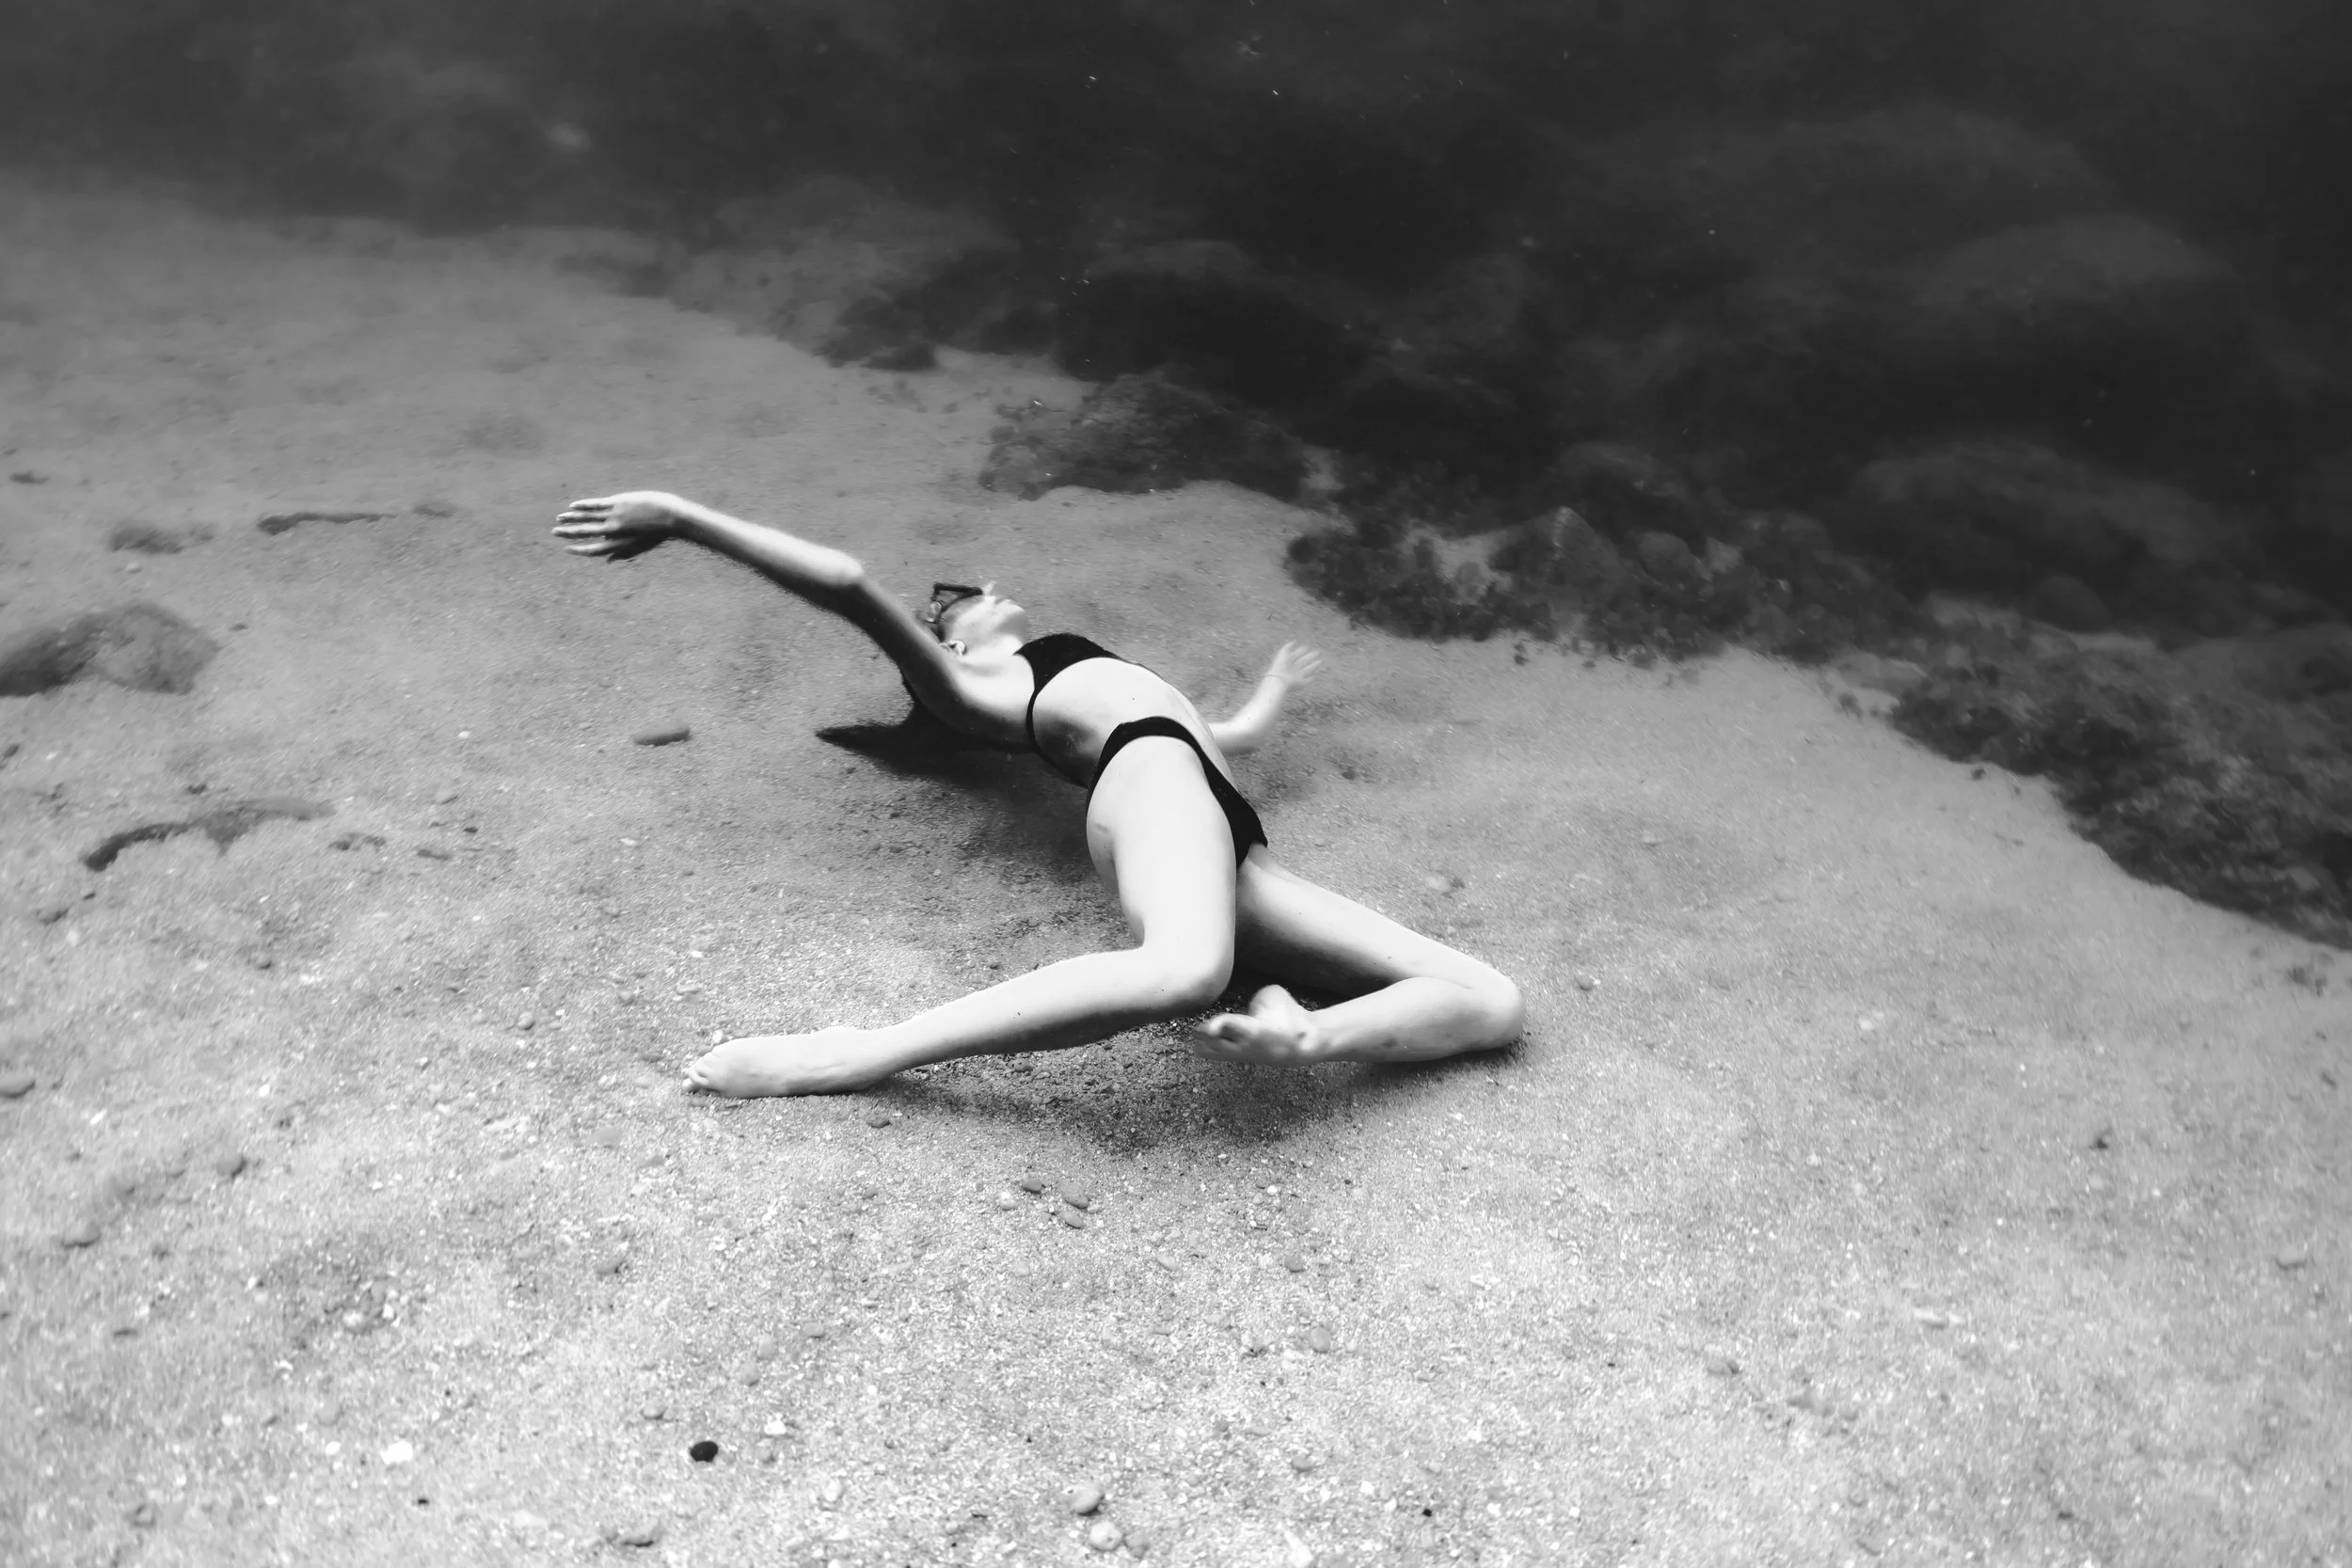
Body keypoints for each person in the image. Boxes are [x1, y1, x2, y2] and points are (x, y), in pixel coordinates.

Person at [553, 490, 1525, 1096]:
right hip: (1154, 790)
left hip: (1223, 824)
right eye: (955, 596)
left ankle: (1305, 1033)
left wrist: (1264, 702)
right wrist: (682, 518)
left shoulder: (1050, 664)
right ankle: (867, 1052)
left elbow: (1213, 731)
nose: (977, 587)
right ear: (944, 641)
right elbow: (847, 581)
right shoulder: (968, 686)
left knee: (1490, 1001)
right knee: (1182, 972)